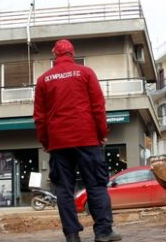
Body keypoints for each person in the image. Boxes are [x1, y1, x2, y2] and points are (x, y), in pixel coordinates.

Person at [33, 39, 121, 242]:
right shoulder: (86, 73)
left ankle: (72, 235)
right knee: (96, 185)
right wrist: (101, 134)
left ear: (55, 55)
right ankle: (103, 232)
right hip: (87, 139)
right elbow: (98, 106)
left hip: (58, 142)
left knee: (64, 189)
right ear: (72, 54)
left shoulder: (43, 80)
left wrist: (46, 142)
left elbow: (40, 117)